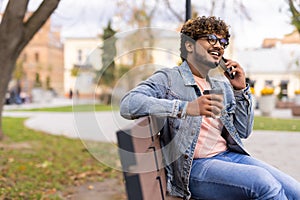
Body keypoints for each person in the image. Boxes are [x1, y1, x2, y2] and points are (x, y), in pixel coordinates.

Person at [120, 16, 300, 200]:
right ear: (190, 45)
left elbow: (243, 132)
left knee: (295, 190)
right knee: (265, 184)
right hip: (194, 167)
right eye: (211, 39)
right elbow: (128, 104)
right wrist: (185, 107)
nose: (219, 46)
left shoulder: (220, 86)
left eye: (223, 42)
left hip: (229, 157)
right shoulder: (168, 79)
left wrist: (240, 89)